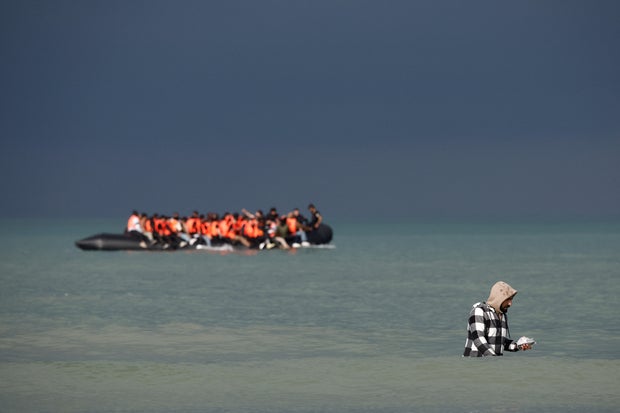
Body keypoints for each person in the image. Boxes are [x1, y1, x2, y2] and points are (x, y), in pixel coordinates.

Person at [463, 281, 533, 357]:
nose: (510, 303)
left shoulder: (501, 314)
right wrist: (494, 359)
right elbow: (478, 339)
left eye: (511, 299)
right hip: (474, 364)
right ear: (499, 299)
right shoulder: (479, 311)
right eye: (508, 299)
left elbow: (499, 341)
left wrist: (518, 346)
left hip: (492, 365)